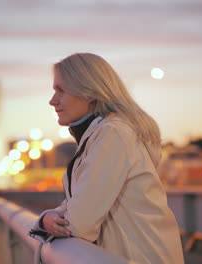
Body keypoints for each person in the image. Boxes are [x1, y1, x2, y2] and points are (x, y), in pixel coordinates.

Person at [31, 53, 184, 263]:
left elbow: (79, 223)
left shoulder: (113, 135)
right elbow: (80, 201)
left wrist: (45, 220)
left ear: (90, 92)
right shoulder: (101, 135)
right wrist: (46, 219)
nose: (52, 100)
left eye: (61, 90)